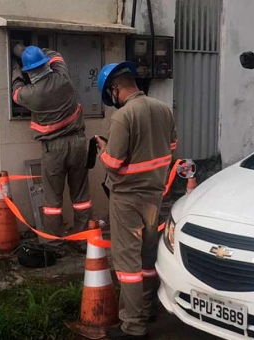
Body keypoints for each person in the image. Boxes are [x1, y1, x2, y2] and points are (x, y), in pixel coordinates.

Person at [95, 62, 177, 339]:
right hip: (155, 195)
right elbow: (172, 147)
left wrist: (104, 150)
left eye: (112, 95)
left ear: (116, 88)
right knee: (147, 257)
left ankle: (132, 326)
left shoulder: (123, 117)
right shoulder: (163, 109)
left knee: (128, 263)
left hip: (126, 198)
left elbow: (113, 163)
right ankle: (150, 308)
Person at [11, 45, 92, 252]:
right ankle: (82, 240)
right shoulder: (63, 78)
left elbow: (16, 92)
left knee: (52, 201)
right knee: (81, 196)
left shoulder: (31, 94)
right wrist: (28, 50)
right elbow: (56, 56)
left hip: (54, 149)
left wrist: (15, 64)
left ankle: (55, 245)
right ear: (45, 64)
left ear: (30, 71)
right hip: (78, 143)